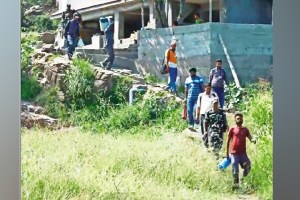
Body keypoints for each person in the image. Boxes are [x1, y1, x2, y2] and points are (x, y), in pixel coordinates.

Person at [226, 113, 256, 189]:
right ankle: (236, 186)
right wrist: (226, 152)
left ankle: (243, 179)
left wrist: (253, 140)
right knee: (235, 169)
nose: (239, 119)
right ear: (235, 120)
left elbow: (250, 138)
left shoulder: (245, 129)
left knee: (248, 165)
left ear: (242, 119)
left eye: (240, 118)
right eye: (238, 118)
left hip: (243, 154)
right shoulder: (232, 129)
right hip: (234, 154)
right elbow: (228, 141)